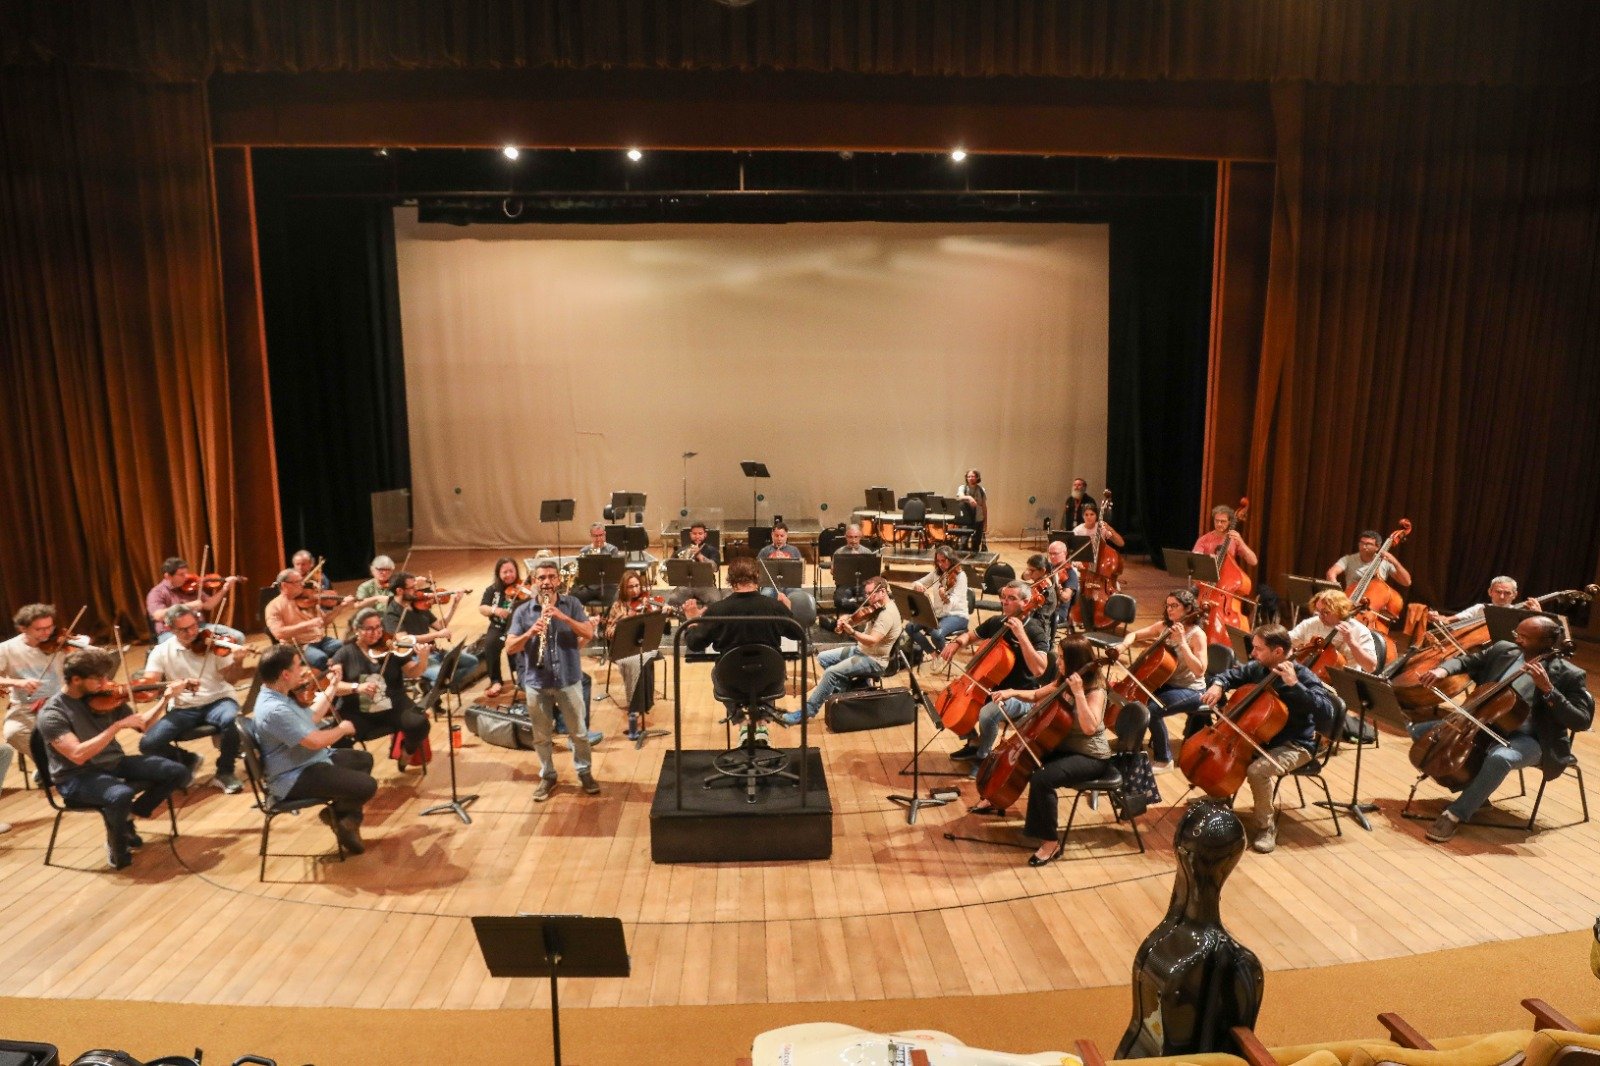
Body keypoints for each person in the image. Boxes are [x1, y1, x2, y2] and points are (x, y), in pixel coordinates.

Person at [1411, 615, 1592, 843]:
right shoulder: (1503, 650)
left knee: (1500, 758)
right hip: (1487, 725)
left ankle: (1455, 814)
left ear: (1546, 642)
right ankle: (1475, 793)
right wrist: (1443, 671)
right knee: (1421, 733)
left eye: (1525, 637)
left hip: (1532, 739)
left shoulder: (1568, 674)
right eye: (1517, 633)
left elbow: (1581, 720)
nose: (1517, 639)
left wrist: (1549, 690)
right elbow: (1467, 661)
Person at [36, 647, 191, 869]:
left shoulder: (107, 696)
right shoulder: (53, 713)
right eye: (98, 678)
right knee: (120, 795)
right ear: (76, 679)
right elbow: (78, 755)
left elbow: (143, 725)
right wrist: (116, 726)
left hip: (113, 763)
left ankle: (132, 814)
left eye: (105, 676)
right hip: (76, 776)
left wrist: (165, 699)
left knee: (178, 772)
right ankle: (117, 846)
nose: (105, 682)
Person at [1197, 624, 1334, 854]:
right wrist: (1218, 686)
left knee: (1257, 770)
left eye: (1258, 649)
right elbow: (1230, 675)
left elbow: (1327, 711)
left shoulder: (1303, 675)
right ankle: (1220, 793)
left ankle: (1266, 827)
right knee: (1233, 753)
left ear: (1278, 651)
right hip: (1263, 740)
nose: (1252, 654)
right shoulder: (1260, 668)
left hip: (1295, 745)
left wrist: (1294, 685)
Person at [250, 644, 376, 856]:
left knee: (363, 760)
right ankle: (339, 817)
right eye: (299, 666)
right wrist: (342, 729)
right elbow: (315, 741)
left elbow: (312, 717)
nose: (303, 671)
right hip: (293, 777)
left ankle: (345, 819)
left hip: (307, 761)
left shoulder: (279, 695)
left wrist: (333, 686)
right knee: (367, 786)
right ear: (285, 674)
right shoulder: (274, 709)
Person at [505, 560, 600, 801]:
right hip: (537, 682)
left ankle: (584, 772)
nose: (547, 582)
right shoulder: (523, 612)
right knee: (541, 736)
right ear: (534, 582)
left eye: (551, 577)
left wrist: (563, 617)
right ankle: (547, 775)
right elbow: (510, 647)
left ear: (558, 580)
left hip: (568, 679)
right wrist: (529, 633)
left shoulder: (572, 604)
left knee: (579, 733)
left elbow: (588, 633)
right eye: (542, 578)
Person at [1016, 634, 1113, 866]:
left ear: (1075, 660)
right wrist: (1010, 692)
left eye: (1061, 657)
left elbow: (1089, 728)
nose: (1058, 662)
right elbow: (1036, 694)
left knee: (1043, 778)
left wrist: (1079, 694)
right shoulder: (1064, 679)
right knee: (1029, 758)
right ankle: (1028, 823)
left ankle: (1051, 843)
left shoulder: (1096, 690)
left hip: (1091, 756)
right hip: (1067, 747)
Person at [945, 580, 1052, 774]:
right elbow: (970, 636)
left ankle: (983, 757)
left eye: (1011, 598)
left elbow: (1040, 669)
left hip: (1020, 695)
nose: (1004, 602)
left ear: (1025, 602)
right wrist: (956, 643)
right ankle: (974, 743)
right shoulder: (997, 622)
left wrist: (1021, 635)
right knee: (948, 702)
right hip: (990, 688)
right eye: (1004, 597)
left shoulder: (1035, 631)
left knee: (987, 713)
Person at [136, 605, 244, 793]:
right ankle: (189, 759)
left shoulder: (214, 644)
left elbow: (232, 680)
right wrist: (162, 690)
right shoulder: (161, 652)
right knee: (149, 744)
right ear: (171, 629)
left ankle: (225, 772)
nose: (192, 633)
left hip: (219, 700)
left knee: (232, 719)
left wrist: (238, 661)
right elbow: (151, 685)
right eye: (184, 629)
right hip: (183, 708)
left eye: (194, 626)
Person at [784, 575, 903, 725]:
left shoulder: (887, 614)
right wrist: (845, 619)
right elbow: (858, 616)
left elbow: (872, 640)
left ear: (883, 592)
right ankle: (848, 690)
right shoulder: (878, 606)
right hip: (862, 651)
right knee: (823, 657)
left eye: (870, 593)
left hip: (874, 660)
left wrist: (852, 632)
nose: (868, 597)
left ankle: (808, 711)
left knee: (831, 673)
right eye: (866, 593)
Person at [329, 608, 433, 769]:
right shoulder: (345, 653)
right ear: (357, 630)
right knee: (337, 736)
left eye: (379, 627)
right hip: (359, 711)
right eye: (369, 629)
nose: (376, 633)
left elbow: (413, 672)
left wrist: (423, 660)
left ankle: (407, 751)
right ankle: (350, 773)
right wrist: (357, 687)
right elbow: (334, 686)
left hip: (393, 705)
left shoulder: (391, 646)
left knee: (420, 723)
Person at [1119, 588, 1210, 772]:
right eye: (1167, 605)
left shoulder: (1197, 634)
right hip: (1167, 684)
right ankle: (1131, 746)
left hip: (1192, 690)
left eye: (1174, 606)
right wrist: (1123, 645)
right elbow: (1135, 635)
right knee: (1136, 701)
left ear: (1188, 608)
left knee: (1152, 710)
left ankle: (1164, 759)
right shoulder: (1164, 627)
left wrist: (1182, 643)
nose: (1169, 609)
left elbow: (1200, 670)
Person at [0, 603, 77, 807]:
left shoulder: (59, 643)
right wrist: (17, 682)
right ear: (23, 628)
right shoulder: (7, 649)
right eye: (39, 629)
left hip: (61, 703)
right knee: (13, 732)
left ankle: (53, 770)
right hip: (25, 707)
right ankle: (47, 767)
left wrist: (74, 648)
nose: (47, 633)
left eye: (49, 627)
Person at [382, 572, 478, 690]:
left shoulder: (418, 604)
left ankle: (432, 685)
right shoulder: (392, 614)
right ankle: (439, 683)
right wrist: (437, 635)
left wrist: (455, 604)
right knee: (441, 676)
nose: (416, 590)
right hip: (416, 657)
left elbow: (441, 626)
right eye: (412, 588)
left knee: (472, 662)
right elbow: (405, 640)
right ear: (399, 591)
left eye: (415, 586)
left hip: (434, 651)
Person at [604, 571, 666, 738]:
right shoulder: (617, 606)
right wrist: (624, 621)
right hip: (623, 650)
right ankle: (638, 708)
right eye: (630, 587)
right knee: (637, 663)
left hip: (643, 647)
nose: (635, 590)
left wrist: (662, 614)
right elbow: (608, 632)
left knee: (645, 660)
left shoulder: (647, 603)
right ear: (624, 588)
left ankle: (637, 710)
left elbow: (658, 629)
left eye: (637, 585)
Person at [145, 557, 245, 644]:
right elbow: (158, 615)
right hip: (172, 631)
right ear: (168, 576)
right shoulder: (157, 592)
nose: (186, 577)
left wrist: (224, 589)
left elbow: (209, 605)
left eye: (186, 573)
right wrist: (189, 606)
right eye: (181, 574)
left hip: (198, 626)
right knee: (191, 647)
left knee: (237, 637)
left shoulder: (191, 587)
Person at [265, 568, 349, 671]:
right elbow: (279, 633)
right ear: (284, 585)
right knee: (320, 659)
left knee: (347, 648)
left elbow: (323, 622)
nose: (303, 584)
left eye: (302, 581)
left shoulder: (308, 599)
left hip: (321, 640)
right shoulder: (274, 607)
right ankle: (328, 679)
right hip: (298, 646)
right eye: (298, 582)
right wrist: (308, 625)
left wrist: (341, 607)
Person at [1289, 589, 1378, 674]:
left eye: (1326, 612)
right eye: (1318, 611)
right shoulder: (1312, 623)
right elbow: (1287, 642)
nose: (1321, 616)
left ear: (1340, 610)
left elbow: (1371, 667)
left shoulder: (1360, 631)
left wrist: (1352, 642)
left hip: (1341, 680)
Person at [905, 545, 971, 653]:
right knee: (910, 627)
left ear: (951, 560)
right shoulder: (937, 573)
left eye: (943, 561)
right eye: (938, 561)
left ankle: (945, 656)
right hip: (938, 614)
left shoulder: (961, 576)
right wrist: (918, 586)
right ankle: (933, 654)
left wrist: (945, 597)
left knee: (936, 634)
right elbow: (917, 582)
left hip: (956, 615)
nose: (940, 564)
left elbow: (955, 600)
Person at [478, 557, 526, 700]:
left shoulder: (523, 588)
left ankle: (522, 676)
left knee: (517, 647)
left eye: (511, 571)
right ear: (498, 573)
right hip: (498, 626)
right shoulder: (492, 590)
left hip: (518, 628)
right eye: (505, 572)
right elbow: (482, 608)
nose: (508, 575)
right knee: (490, 645)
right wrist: (495, 610)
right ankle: (495, 681)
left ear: (516, 571)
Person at [1429, 576, 1538, 625]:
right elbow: (1448, 620)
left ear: (1515, 595)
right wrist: (1437, 618)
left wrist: (1538, 615)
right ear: (1490, 592)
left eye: (1507, 593)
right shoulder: (1479, 608)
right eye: (1498, 592)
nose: (1502, 596)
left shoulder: (1520, 614)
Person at [1326, 530, 1412, 591]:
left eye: (1368, 544)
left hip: (1374, 606)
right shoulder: (1348, 559)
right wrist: (1337, 591)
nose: (1364, 546)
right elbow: (1331, 573)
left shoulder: (1385, 562)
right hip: (1350, 600)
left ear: (1377, 547)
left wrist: (1395, 562)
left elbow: (1406, 582)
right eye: (1362, 543)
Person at [1193, 504, 1259, 568]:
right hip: (1209, 573)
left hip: (1229, 574)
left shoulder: (1234, 539)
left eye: (1223, 521)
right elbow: (1194, 562)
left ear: (1229, 522)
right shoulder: (1203, 540)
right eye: (1216, 520)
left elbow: (1253, 562)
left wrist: (1241, 542)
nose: (1219, 524)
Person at [571, 523, 624, 603]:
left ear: (605, 534)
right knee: (573, 596)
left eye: (601, 535)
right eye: (595, 536)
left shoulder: (612, 550)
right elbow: (582, 574)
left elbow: (614, 573)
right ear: (591, 536)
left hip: (607, 588)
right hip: (589, 588)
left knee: (613, 598)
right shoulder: (584, 551)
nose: (599, 539)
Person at [957, 469, 989, 551]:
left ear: (977, 477)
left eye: (973, 476)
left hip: (978, 519)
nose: (970, 478)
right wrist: (969, 497)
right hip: (966, 520)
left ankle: (975, 558)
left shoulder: (981, 490)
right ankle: (962, 558)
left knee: (976, 543)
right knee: (963, 543)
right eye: (969, 476)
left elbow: (984, 507)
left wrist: (985, 523)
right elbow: (960, 496)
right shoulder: (962, 488)